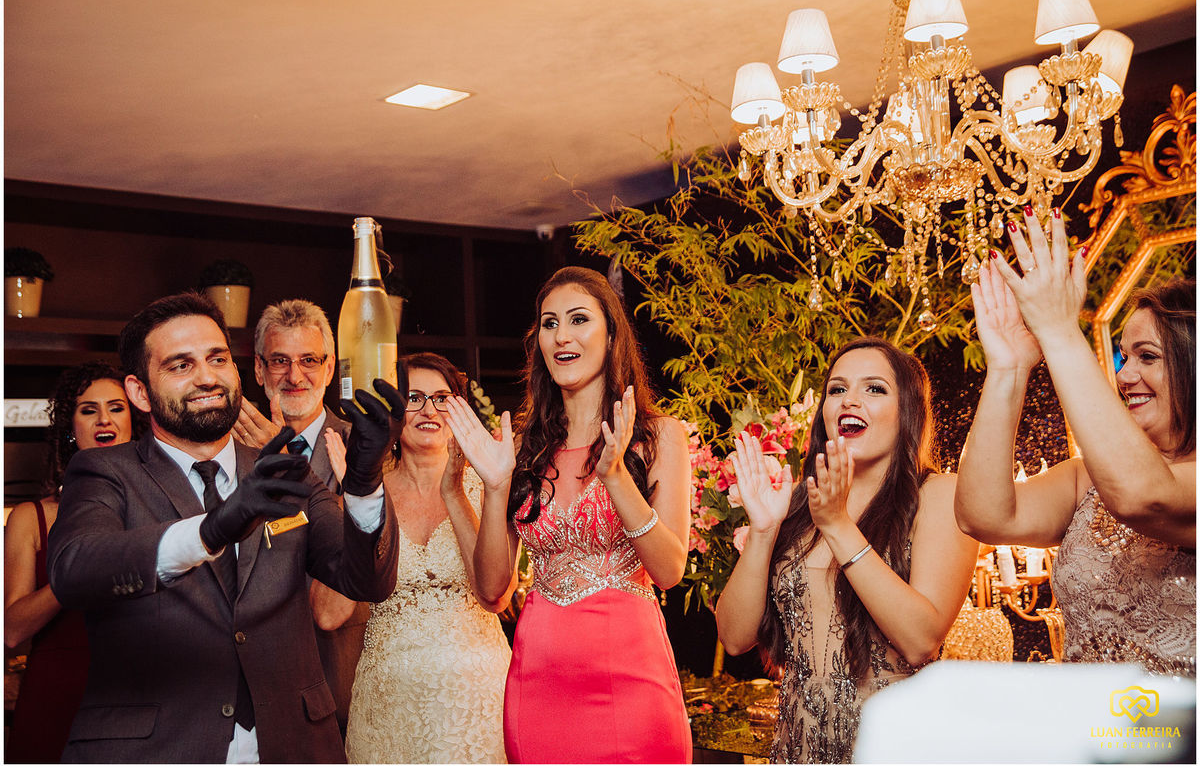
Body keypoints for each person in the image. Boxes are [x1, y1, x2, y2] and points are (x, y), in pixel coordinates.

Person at [46, 291, 400, 763]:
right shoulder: (104, 472)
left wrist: (363, 482)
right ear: (138, 391)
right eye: (180, 365)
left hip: (293, 746)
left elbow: (367, 579)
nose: (207, 377)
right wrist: (212, 529)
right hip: (159, 749)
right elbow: (74, 571)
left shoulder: (286, 470)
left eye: (217, 358)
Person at [441, 265, 693, 763]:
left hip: (634, 684)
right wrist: (494, 488)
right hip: (540, 687)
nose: (562, 336)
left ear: (611, 334)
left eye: (579, 320)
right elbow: (493, 591)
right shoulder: (521, 447)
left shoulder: (662, 438)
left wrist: (617, 476)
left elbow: (669, 570)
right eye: (549, 323)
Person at [955, 208, 1195, 677]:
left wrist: (1062, 330)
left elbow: (1143, 496)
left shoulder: (1143, 486)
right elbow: (982, 515)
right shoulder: (1089, 479)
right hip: (1091, 735)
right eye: (1125, 357)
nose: (1124, 376)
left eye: (1148, 357)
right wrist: (1009, 367)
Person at [715, 337, 978, 763]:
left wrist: (838, 526)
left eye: (874, 388)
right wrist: (763, 531)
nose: (849, 400)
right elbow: (734, 637)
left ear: (907, 411)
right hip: (798, 750)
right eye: (837, 389)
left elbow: (919, 641)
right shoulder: (798, 504)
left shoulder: (940, 496)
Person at [340, 352, 512, 763]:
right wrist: (351, 503)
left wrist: (454, 493)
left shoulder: (488, 483)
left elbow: (495, 596)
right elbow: (330, 613)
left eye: (442, 397)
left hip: (477, 704)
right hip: (388, 706)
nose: (429, 410)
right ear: (392, 410)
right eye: (413, 397)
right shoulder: (367, 493)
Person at [233, 298, 365, 737]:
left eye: (309, 360)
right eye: (280, 361)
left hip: (344, 673)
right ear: (258, 370)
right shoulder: (226, 449)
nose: (295, 376)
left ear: (329, 369)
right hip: (251, 688)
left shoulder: (367, 448)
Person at [5, 362, 136, 763]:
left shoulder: (165, 510)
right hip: (57, 698)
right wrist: (73, 576)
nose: (103, 419)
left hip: (141, 695)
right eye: (87, 409)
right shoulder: (33, 517)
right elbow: (11, 630)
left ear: (136, 418)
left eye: (116, 407)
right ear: (70, 426)